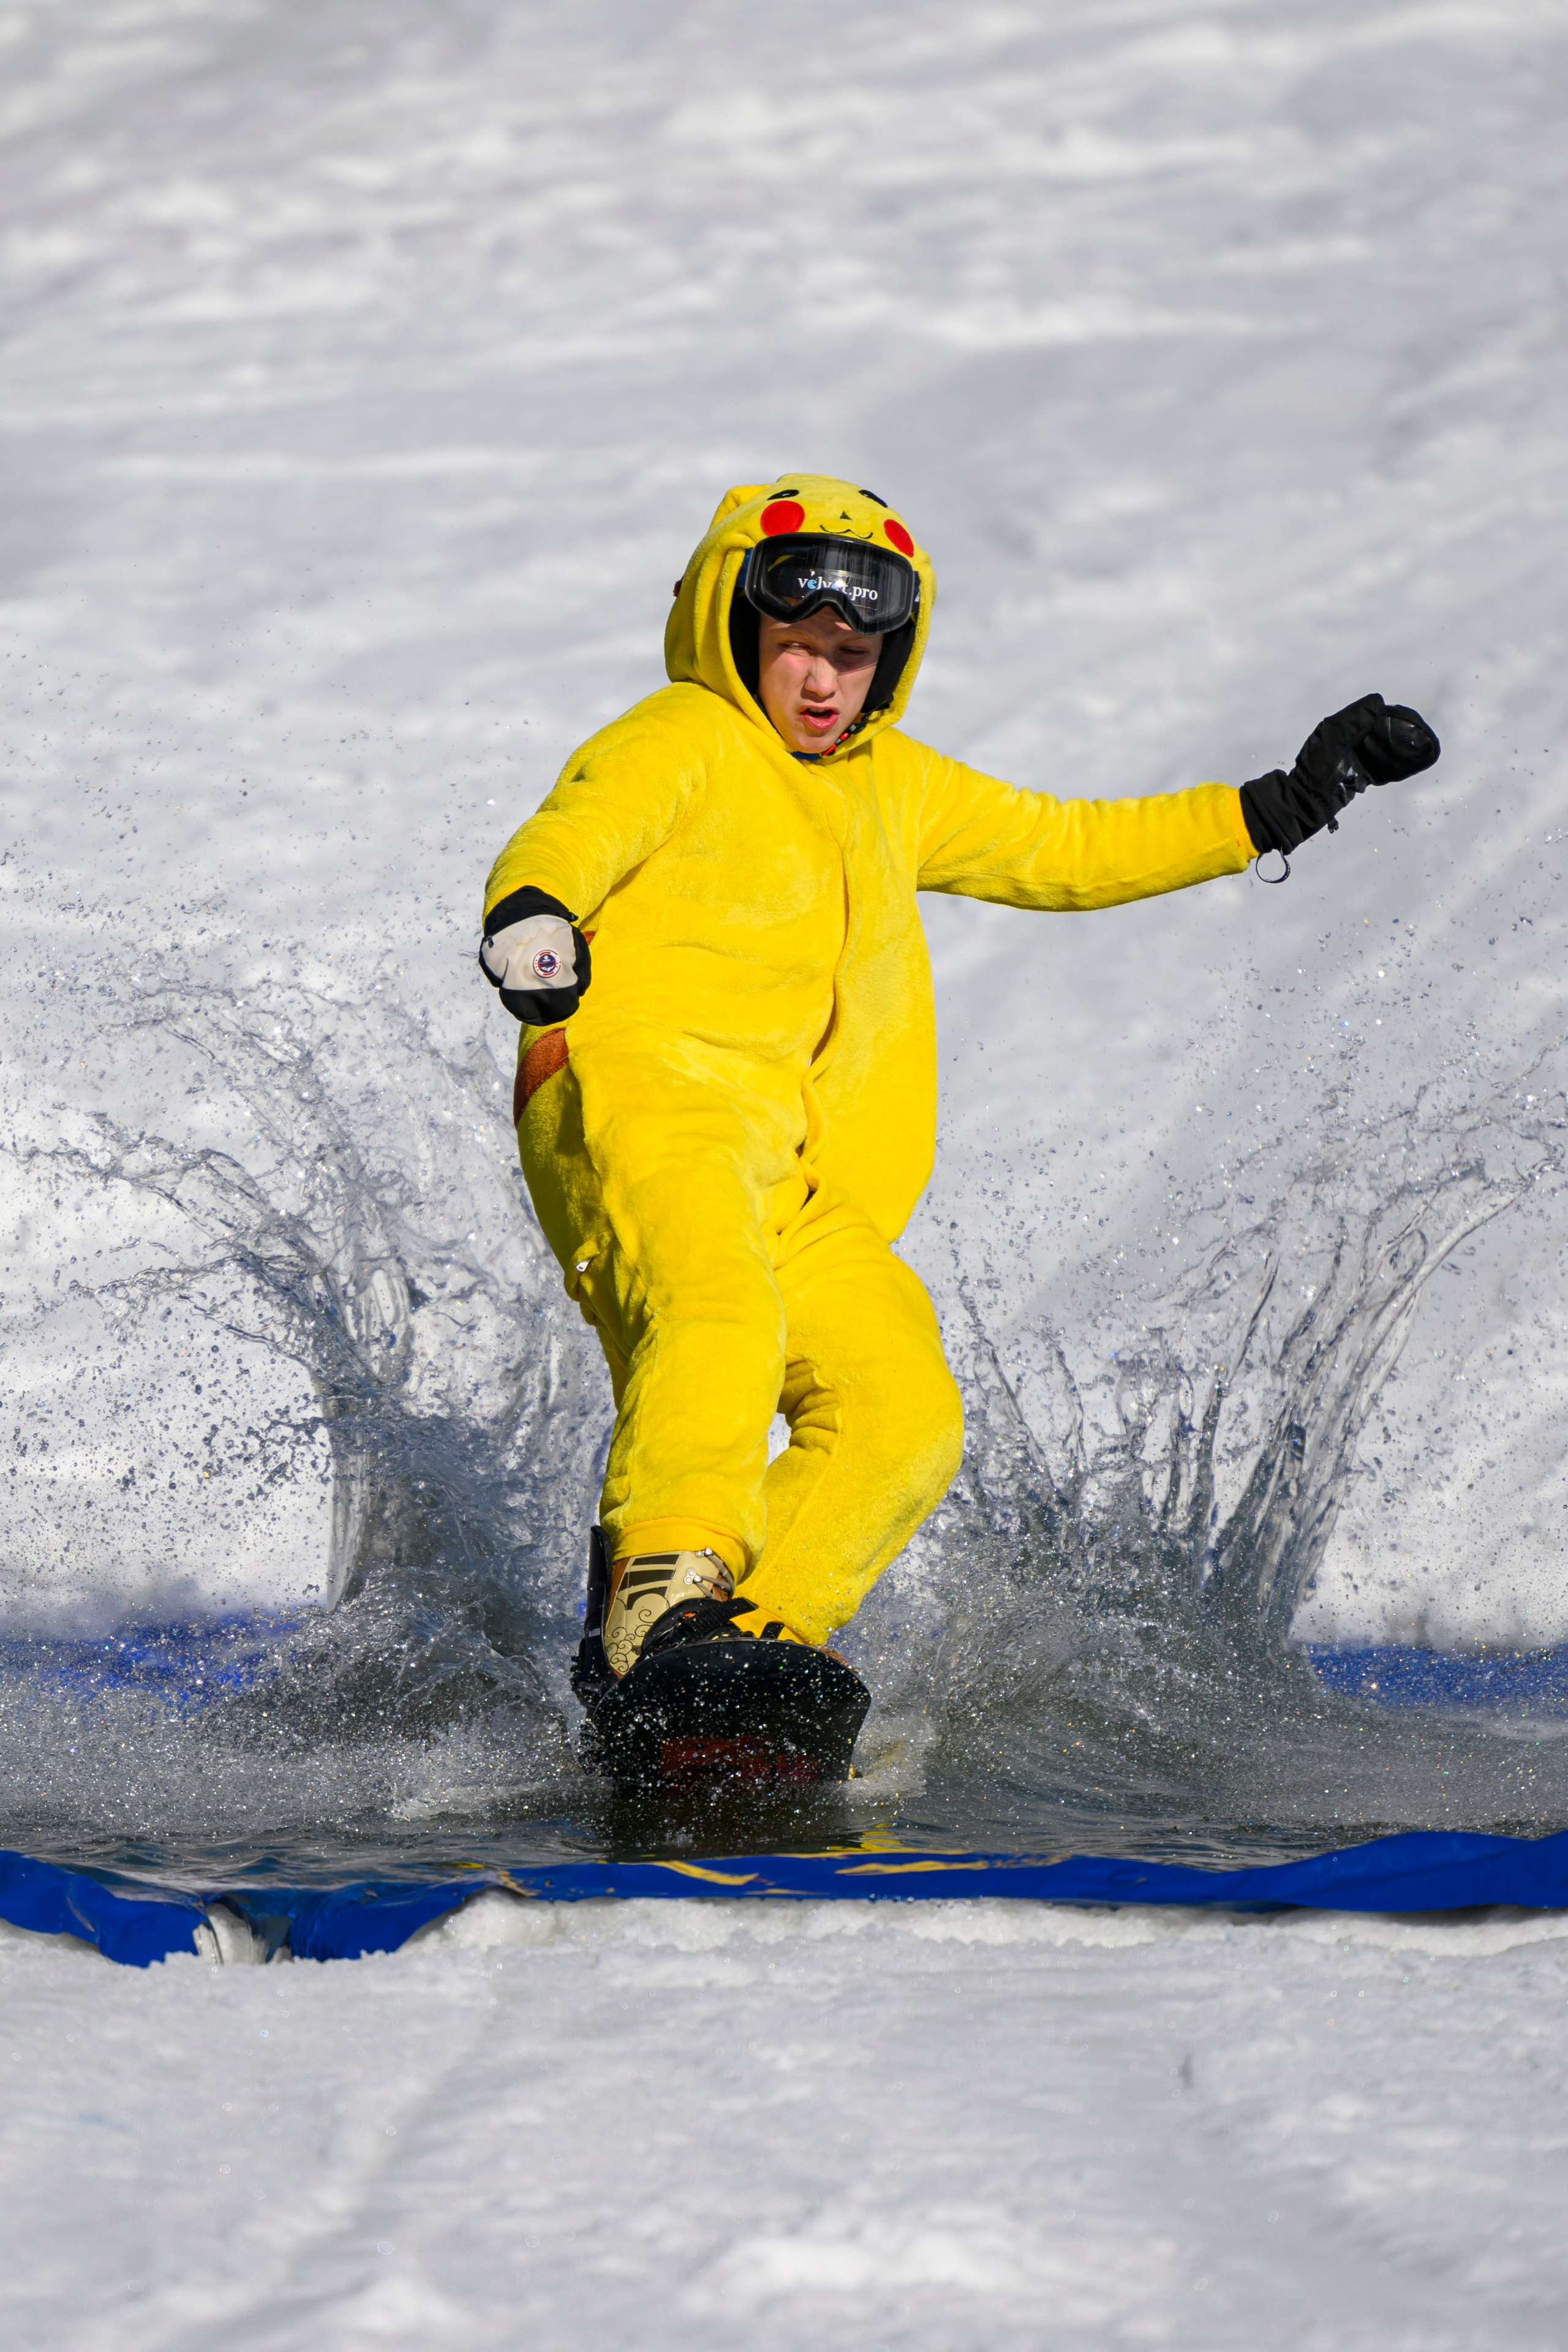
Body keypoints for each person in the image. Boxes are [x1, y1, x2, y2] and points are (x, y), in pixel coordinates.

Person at [479, 475, 1438, 1694]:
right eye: (795, 649)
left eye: (851, 653)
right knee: (713, 1316)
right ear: (734, 627)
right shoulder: (680, 739)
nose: (824, 682)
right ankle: (657, 1607)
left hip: (790, 1166)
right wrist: (531, 921)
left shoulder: (894, 783)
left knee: (902, 1409)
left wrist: (1277, 809)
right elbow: (571, 833)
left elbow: (1068, 844)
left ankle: (743, 1655)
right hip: (638, 1095)